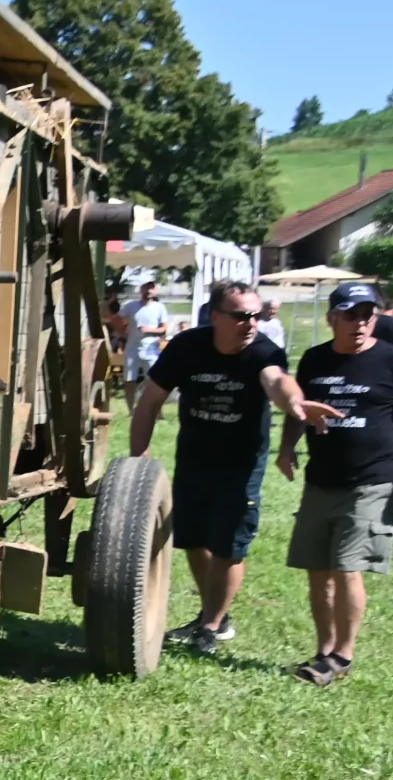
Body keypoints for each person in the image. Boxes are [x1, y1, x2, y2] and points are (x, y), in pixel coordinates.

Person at [128, 280, 332, 654]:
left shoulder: (263, 352)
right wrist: (138, 455)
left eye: (255, 315)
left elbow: (277, 382)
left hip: (241, 465)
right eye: (241, 315)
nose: (251, 323)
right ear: (216, 316)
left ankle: (211, 625)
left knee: (228, 545)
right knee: (192, 539)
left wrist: (296, 405)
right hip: (194, 458)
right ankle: (214, 614)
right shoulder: (187, 347)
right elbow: (150, 399)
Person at [278, 281, 393, 685]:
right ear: (332, 318)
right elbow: (301, 411)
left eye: (367, 314)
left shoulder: (392, 361)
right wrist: (287, 447)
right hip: (320, 482)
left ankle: (342, 658)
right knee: (318, 570)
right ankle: (324, 650)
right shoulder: (315, 360)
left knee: (348, 569)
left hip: (372, 482)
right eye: (350, 314)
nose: (360, 322)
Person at [120, 278, 169, 392]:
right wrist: (122, 332)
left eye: (151, 288)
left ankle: (154, 409)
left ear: (155, 291)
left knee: (153, 380)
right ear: (141, 290)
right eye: (146, 288)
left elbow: (164, 328)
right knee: (129, 380)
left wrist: (150, 330)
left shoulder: (159, 307)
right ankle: (131, 409)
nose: (148, 291)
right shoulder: (131, 306)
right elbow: (116, 319)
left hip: (150, 349)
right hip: (132, 349)